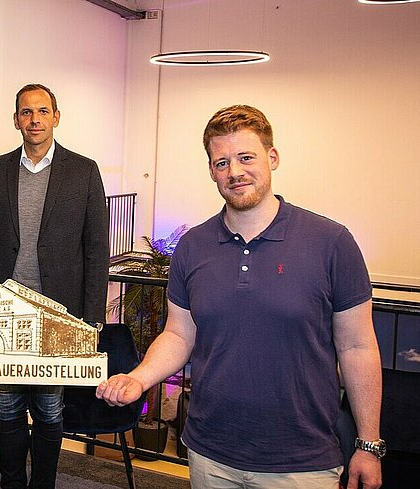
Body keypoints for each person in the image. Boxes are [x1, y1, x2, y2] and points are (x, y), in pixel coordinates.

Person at [96, 105, 384, 489]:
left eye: (246, 157)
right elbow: (180, 335)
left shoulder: (331, 242)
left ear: (273, 157)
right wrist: (138, 378)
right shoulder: (193, 247)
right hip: (209, 453)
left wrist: (368, 444)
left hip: (302, 462)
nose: (234, 172)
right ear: (212, 170)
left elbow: (358, 346)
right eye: (221, 162)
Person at [0, 83, 109, 489]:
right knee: (8, 405)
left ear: (56, 117)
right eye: (26, 112)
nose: (34, 120)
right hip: (5, 312)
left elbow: (97, 248)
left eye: (42, 111)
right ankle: (11, 484)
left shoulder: (83, 171)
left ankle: (43, 484)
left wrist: (93, 317)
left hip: (58, 314)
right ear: (15, 120)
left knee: (49, 407)